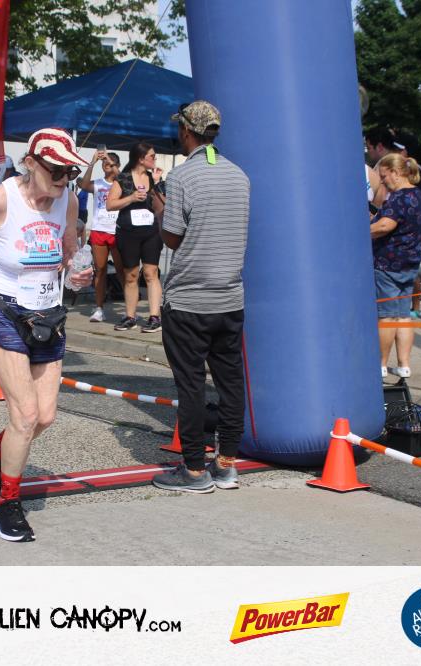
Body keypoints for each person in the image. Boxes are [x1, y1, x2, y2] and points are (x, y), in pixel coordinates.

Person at [0, 128, 92, 542]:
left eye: (70, 172)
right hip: (2, 313)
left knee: (44, 417)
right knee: (25, 415)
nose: (64, 179)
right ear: (30, 163)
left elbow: (68, 254)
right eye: (55, 170)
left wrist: (77, 274)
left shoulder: (68, 200)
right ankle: (7, 505)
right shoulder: (3, 200)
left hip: (47, 315)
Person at [151, 100, 251, 494]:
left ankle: (193, 469)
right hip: (229, 297)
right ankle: (226, 464)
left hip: (189, 300)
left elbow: (173, 238)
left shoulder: (181, 177)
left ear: (186, 131)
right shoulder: (239, 175)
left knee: (191, 385)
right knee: (231, 382)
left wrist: (160, 210)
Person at [371, 153, 421, 379]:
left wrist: (362, 231)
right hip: (410, 263)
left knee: (386, 317)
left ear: (395, 172)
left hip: (388, 264)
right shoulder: (418, 195)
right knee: (403, 316)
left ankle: (381, 365)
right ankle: (404, 365)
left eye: (384, 177)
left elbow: (385, 225)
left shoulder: (398, 198)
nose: (383, 182)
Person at [106, 142, 165, 333]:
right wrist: (130, 198)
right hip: (128, 233)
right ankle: (130, 317)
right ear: (141, 158)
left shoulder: (153, 178)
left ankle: (154, 317)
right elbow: (110, 205)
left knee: (151, 273)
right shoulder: (123, 178)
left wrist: (157, 184)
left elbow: (161, 205)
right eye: (152, 156)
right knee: (131, 275)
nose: (155, 159)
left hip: (151, 232)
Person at [78, 150, 123, 323]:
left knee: (121, 270)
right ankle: (99, 309)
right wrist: (93, 162)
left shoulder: (122, 183)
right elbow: (83, 185)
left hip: (117, 230)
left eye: (110, 163)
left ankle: (129, 309)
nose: (107, 166)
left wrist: (112, 163)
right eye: (105, 163)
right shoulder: (97, 183)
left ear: (117, 166)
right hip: (99, 230)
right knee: (100, 270)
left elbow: (126, 179)